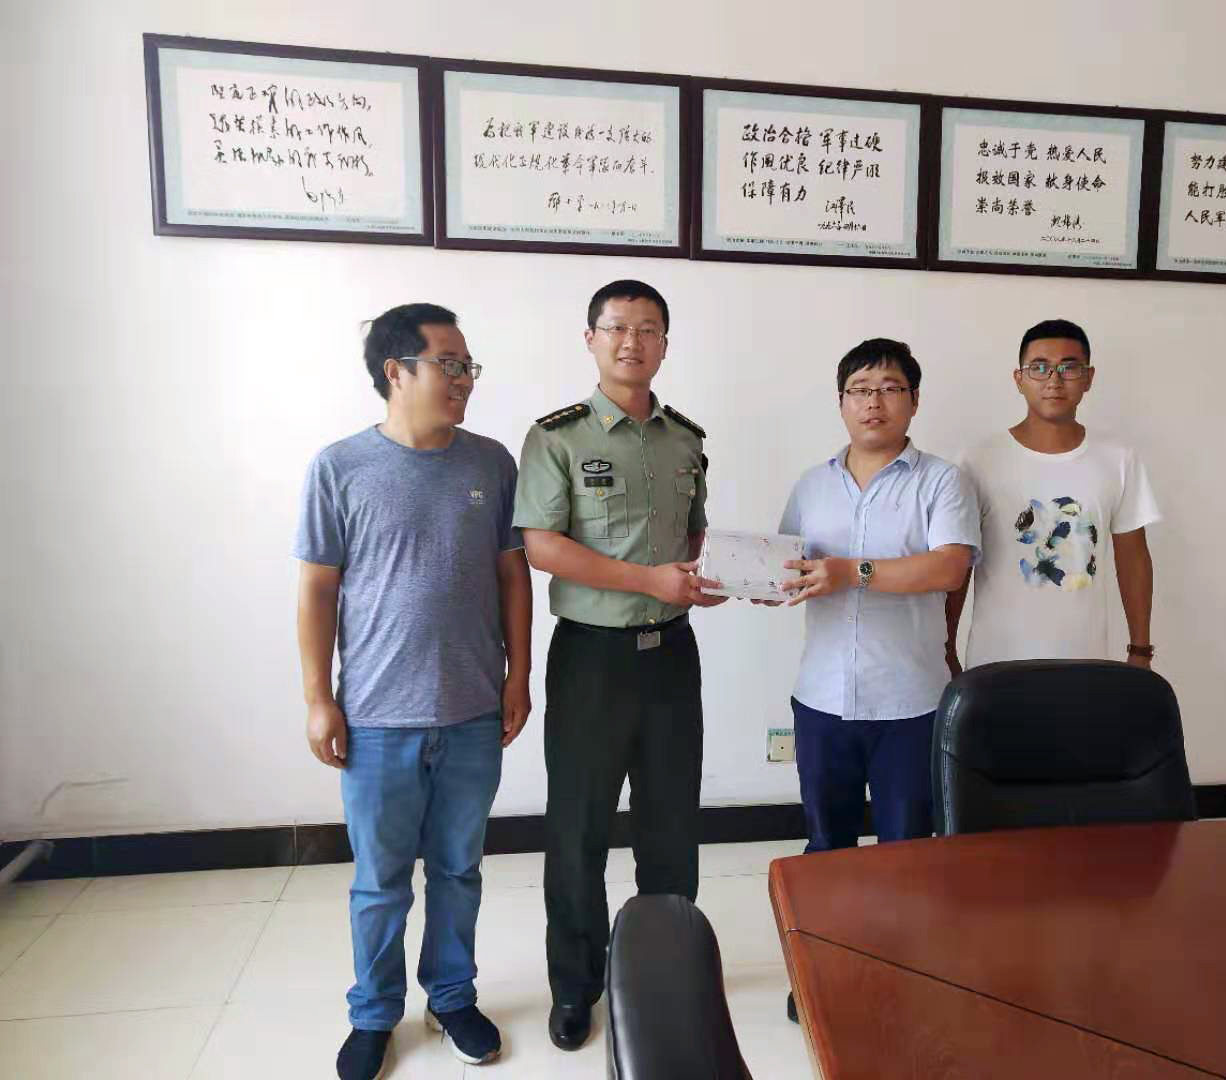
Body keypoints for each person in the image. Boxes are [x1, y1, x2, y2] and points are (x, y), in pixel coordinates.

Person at [295, 303, 532, 1079]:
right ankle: (374, 1013)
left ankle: (452, 997)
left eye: (469, 366)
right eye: (449, 364)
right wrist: (319, 697)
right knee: (380, 882)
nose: (464, 379)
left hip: (472, 711)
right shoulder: (340, 467)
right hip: (376, 718)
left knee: (459, 870)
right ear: (396, 371)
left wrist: (520, 674)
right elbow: (318, 590)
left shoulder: (491, 464)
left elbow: (512, 577)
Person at [512, 279, 727, 1051]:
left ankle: (664, 974)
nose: (632, 341)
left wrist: (706, 579)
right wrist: (647, 581)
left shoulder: (685, 439)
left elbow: (693, 537)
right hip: (591, 659)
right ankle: (577, 987)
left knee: (671, 826)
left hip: (672, 655)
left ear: (665, 342)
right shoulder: (557, 437)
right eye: (616, 328)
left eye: (648, 329)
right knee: (579, 830)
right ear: (591, 339)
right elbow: (542, 545)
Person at [766, 337, 979, 1023]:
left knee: (905, 851)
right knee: (826, 848)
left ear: (913, 401)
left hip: (909, 702)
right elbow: (786, 565)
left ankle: (902, 973)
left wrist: (852, 571)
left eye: (890, 388)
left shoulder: (942, 481)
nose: (874, 402)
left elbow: (949, 566)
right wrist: (748, 580)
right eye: (860, 389)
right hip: (822, 698)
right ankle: (821, 972)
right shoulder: (812, 484)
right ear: (841, 403)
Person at [946, 318, 1160, 676]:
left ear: (1088, 378)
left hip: (1085, 664)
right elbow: (957, 562)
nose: (1054, 380)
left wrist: (1140, 649)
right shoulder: (978, 459)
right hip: (995, 665)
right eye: (1039, 367)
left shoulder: (1118, 459)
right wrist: (945, 646)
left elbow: (1133, 558)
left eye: (1069, 368)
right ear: (1019, 379)